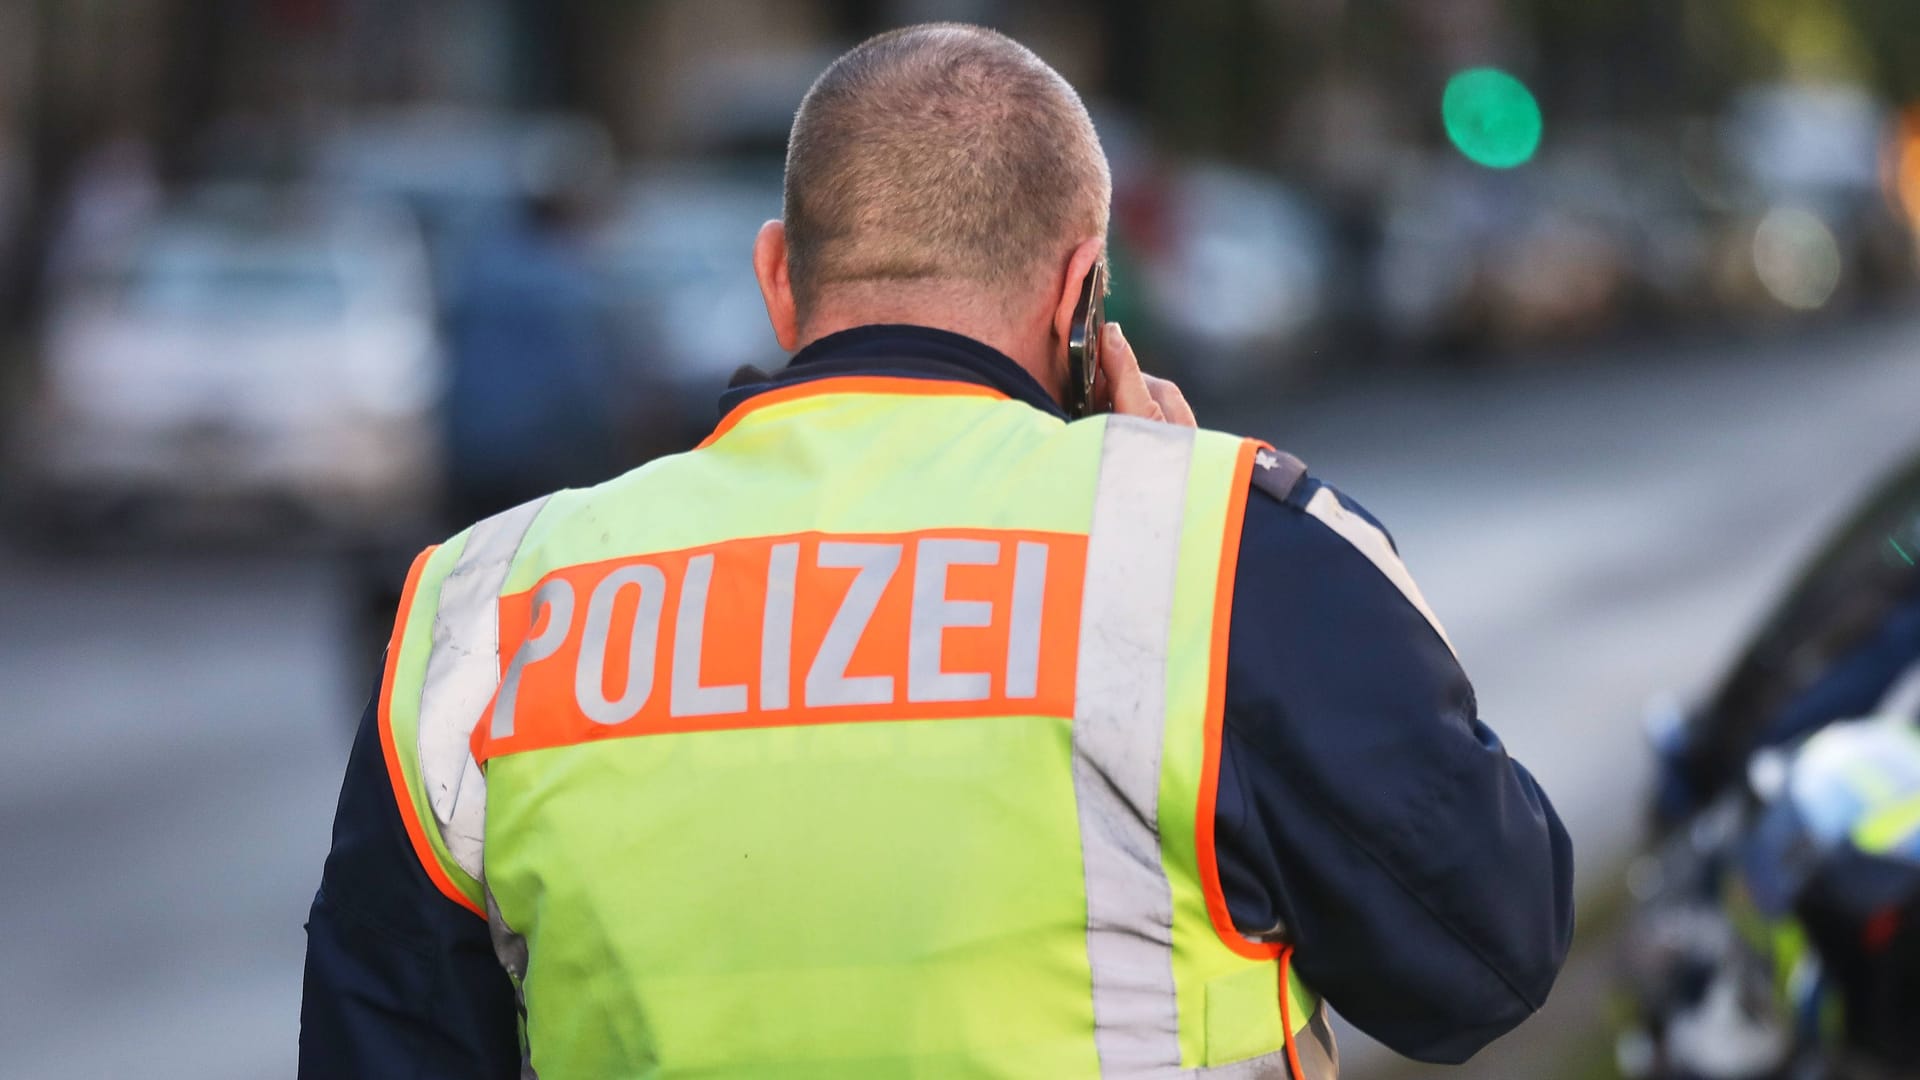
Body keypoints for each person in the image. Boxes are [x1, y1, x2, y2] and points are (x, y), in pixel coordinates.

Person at [301, 24, 1572, 1078]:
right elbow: (1484, 956)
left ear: (776, 278)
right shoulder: (1217, 550)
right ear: (1083, 296)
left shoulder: (493, 605)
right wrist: (1175, 489)